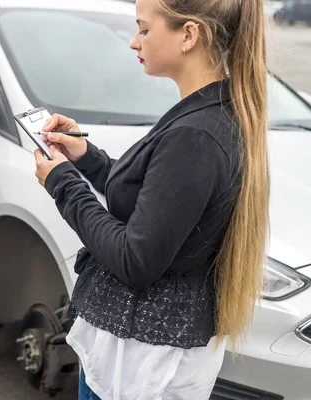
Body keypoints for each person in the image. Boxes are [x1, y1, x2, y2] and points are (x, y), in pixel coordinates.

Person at [34, 0, 269, 398]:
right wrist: (84, 157)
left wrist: (62, 183)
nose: (133, 42)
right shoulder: (211, 110)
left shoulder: (196, 134)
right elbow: (155, 202)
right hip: (141, 351)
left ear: (189, 35)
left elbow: (136, 258)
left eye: (144, 29)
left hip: (139, 367)